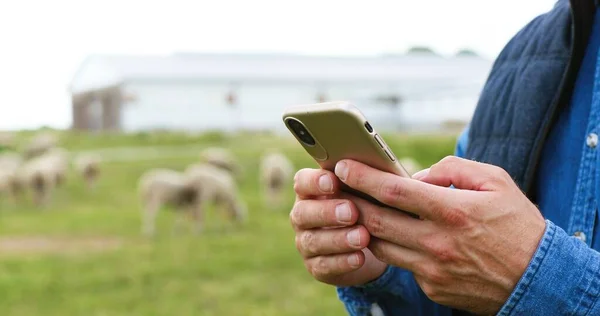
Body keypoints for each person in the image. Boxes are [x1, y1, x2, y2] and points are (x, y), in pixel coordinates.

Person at [289, 0, 600, 315]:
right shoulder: (521, 54)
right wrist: (388, 264)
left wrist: (545, 280)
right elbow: (463, 291)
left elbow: (517, 276)